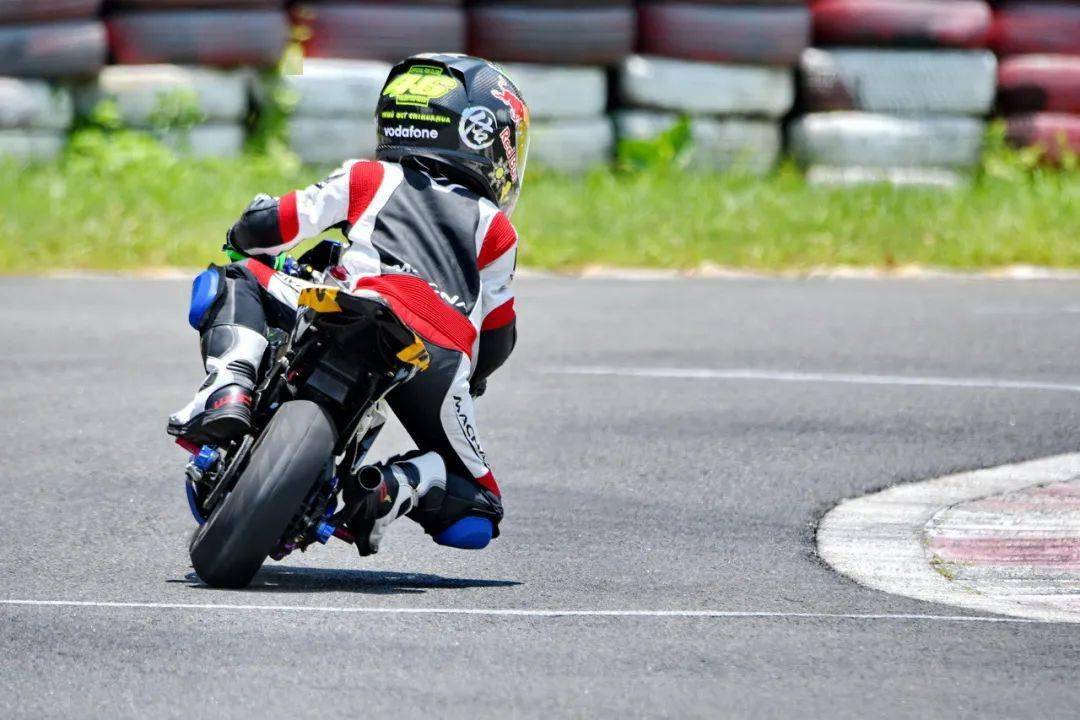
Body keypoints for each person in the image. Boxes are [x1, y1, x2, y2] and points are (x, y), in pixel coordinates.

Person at [167, 54, 529, 555]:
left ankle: (231, 385)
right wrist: (473, 379)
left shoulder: (369, 177)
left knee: (236, 277)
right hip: (438, 356)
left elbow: (278, 224)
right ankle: (398, 485)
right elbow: (498, 334)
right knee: (478, 511)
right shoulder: (497, 228)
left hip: (354, 298)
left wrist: (243, 235)